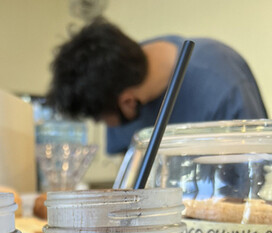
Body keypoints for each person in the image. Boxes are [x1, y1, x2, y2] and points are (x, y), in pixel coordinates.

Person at [47, 19, 268, 154]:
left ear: (127, 101)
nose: (103, 124)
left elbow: (256, 174)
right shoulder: (113, 78)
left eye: (100, 118)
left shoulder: (223, 85)